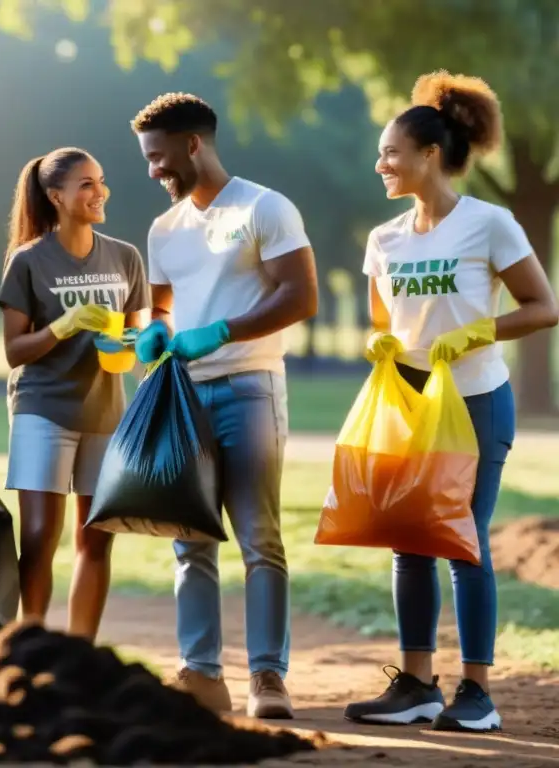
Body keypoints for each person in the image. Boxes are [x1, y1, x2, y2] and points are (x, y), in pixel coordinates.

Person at [344, 71, 558, 733]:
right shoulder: (385, 240)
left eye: (391, 152)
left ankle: (477, 694)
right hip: (408, 407)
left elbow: (544, 307)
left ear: (429, 154)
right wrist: (379, 342)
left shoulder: (489, 223)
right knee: (410, 545)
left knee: (463, 543)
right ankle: (416, 685)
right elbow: (383, 321)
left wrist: (479, 330)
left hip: (476, 402)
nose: (381, 164)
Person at [129, 93, 319, 719]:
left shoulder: (265, 207)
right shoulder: (163, 229)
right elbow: (161, 306)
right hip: (185, 396)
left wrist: (222, 332)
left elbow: (301, 295)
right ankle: (201, 676)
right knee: (191, 540)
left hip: (249, 386)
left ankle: (268, 678)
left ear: (193, 145)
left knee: (259, 538)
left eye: (159, 158)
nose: (154, 171)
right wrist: (154, 330)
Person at [0, 148, 149, 641]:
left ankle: (80, 652)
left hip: (107, 411)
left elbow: (140, 333)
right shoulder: (29, 261)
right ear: (55, 195)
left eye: (100, 181)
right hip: (44, 409)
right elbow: (15, 350)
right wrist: (62, 326)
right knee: (40, 537)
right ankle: (31, 644)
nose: (98, 192)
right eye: (85, 184)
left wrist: (130, 342)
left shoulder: (125, 256)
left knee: (97, 539)